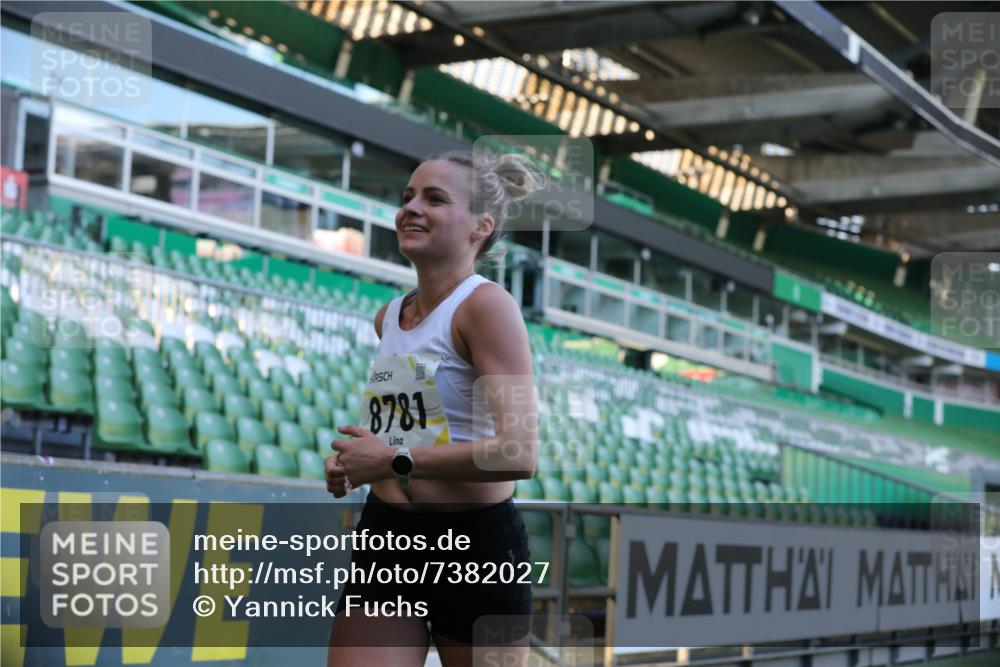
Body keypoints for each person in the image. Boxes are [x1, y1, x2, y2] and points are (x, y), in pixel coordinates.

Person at [325, 150, 542, 667]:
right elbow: (406, 435)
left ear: (480, 227)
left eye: (434, 199)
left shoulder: (489, 307)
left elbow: (519, 453)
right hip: (387, 537)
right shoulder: (389, 317)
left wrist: (393, 461)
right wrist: (355, 465)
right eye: (407, 198)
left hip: (476, 547)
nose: (411, 208)